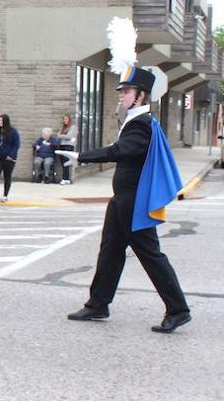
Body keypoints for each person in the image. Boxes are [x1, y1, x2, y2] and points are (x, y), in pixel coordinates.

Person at [61, 64, 190, 333]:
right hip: (122, 200)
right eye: (121, 90)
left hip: (134, 202)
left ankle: (178, 309)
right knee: (110, 251)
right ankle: (98, 304)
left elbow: (120, 150)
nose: (121, 94)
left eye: (127, 91)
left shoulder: (142, 125)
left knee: (150, 255)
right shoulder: (135, 120)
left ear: (141, 95)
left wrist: (82, 156)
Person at [57, 114, 77, 184]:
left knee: (66, 162)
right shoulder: (63, 128)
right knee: (62, 162)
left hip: (69, 146)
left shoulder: (72, 127)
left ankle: (65, 179)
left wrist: (61, 136)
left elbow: (69, 136)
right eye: (64, 119)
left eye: (66, 119)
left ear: (69, 120)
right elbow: (58, 135)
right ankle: (65, 179)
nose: (65, 121)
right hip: (62, 146)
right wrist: (63, 136)